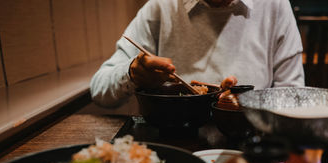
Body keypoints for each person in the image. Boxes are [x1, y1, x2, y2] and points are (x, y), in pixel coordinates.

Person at [90, 0, 304, 108]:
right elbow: (100, 89)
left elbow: (294, 98)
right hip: (174, 142)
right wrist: (133, 74)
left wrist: (242, 106)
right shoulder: (162, 6)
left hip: (250, 149)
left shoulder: (274, 5)